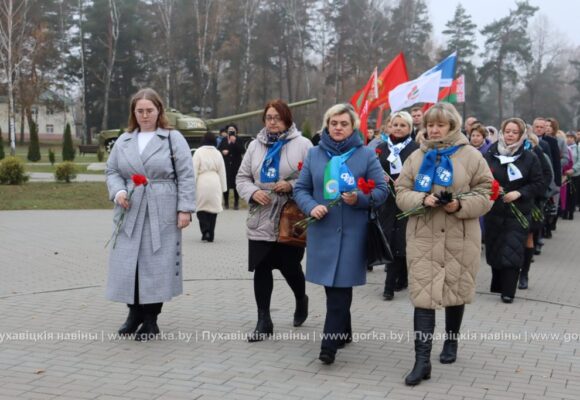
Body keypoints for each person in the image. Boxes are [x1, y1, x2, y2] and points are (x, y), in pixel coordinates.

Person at [396, 103, 492, 386]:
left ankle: (451, 342)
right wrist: (420, 199)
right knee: (423, 295)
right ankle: (421, 361)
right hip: (424, 236)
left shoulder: (472, 156)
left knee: (455, 290)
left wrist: (459, 204)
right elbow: (401, 191)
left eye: (440, 124)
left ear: (452, 126)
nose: (434, 129)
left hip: (459, 235)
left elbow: (487, 192)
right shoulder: (416, 157)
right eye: (430, 124)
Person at [294, 103, 388, 365]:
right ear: (327, 125)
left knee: (340, 290)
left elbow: (381, 191)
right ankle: (344, 330)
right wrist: (312, 207)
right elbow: (300, 189)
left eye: (343, 124)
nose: (338, 128)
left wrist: (359, 198)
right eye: (333, 123)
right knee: (331, 287)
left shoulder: (366, 155)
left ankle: (328, 345)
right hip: (322, 231)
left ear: (353, 127)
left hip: (353, 234)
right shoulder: (314, 154)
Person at [105, 88, 195, 341]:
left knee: (156, 263)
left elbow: (186, 174)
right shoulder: (124, 140)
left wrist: (185, 209)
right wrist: (119, 191)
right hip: (130, 207)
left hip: (162, 207)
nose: (145, 115)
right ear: (134, 112)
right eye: (140, 111)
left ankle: (151, 319)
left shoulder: (171, 138)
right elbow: (112, 171)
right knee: (128, 264)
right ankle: (133, 314)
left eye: (150, 110)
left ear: (159, 111)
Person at [236, 99, 312, 342]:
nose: (272, 122)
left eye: (277, 118)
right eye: (269, 117)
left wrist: (291, 184)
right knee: (262, 267)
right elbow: (242, 177)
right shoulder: (255, 146)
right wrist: (251, 192)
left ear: (287, 119)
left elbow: (312, 178)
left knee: (290, 267)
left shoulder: (303, 145)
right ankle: (263, 320)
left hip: (290, 216)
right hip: (261, 216)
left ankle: (301, 299)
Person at [484, 118, 544, 303]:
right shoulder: (491, 153)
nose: (510, 135)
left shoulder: (529, 157)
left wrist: (519, 193)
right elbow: (482, 176)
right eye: (507, 131)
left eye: (514, 132)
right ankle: (498, 286)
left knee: (513, 248)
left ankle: (508, 292)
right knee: (495, 247)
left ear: (521, 135)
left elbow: (539, 183)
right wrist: (493, 188)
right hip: (494, 210)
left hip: (519, 211)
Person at [375, 111, 419, 301]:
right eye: (395, 124)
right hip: (387, 201)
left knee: (402, 239)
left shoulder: (416, 149)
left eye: (403, 125)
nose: (399, 128)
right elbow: (373, 168)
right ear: (389, 127)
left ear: (410, 128)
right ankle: (393, 281)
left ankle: (395, 282)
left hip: (407, 199)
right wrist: (379, 177)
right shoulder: (382, 148)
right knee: (389, 238)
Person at [192, 132, 227, 242]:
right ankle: (211, 233)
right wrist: (223, 187)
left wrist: (191, 185)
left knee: (200, 208)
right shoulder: (218, 153)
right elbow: (222, 171)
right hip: (215, 181)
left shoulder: (198, 152)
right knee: (213, 209)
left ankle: (205, 230)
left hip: (202, 181)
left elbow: (194, 169)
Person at [219, 124, 244, 209]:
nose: (231, 131)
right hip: (226, 165)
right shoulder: (224, 139)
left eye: (233, 130)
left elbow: (242, 150)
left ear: (236, 131)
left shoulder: (239, 139)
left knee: (235, 184)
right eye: (229, 130)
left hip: (236, 164)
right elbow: (219, 149)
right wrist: (222, 151)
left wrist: (234, 142)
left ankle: (236, 203)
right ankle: (226, 203)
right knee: (226, 184)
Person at [563, 131, 580, 220]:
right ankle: (564, 212)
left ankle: (571, 212)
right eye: (568, 137)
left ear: (574, 139)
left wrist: (573, 169)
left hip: (575, 174)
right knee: (566, 194)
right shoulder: (565, 147)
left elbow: (579, 161)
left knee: (573, 194)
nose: (569, 139)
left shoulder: (577, 148)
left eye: (571, 137)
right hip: (565, 174)